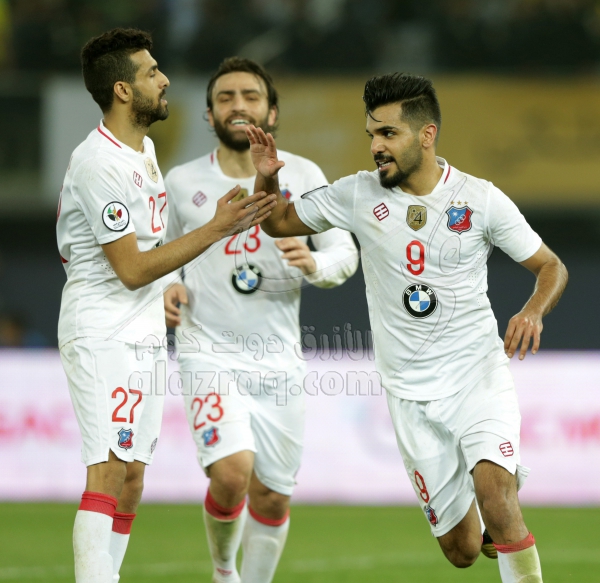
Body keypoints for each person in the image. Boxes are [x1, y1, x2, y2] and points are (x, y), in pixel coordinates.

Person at [244, 73, 568, 583]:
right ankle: (486, 499)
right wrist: (265, 178)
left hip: (477, 376)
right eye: (372, 134)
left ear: (426, 134)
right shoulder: (356, 194)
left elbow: (551, 266)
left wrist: (532, 311)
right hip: (409, 395)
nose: (376, 146)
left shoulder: (480, 199)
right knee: (462, 551)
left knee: (498, 500)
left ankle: (497, 489)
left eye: (388, 134)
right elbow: (278, 222)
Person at [56, 29, 275, 583]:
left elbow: (153, 253)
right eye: (152, 72)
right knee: (108, 470)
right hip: (103, 329)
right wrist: (216, 228)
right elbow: (131, 269)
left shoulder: (145, 152)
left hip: (146, 328)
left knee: (132, 476)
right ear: (123, 90)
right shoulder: (98, 163)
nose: (165, 79)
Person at [163, 56, 358, 583]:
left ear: (271, 112)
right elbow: (158, 251)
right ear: (209, 115)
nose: (238, 105)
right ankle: (224, 571)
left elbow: (345, 251)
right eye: (225, 97)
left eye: (251, 96)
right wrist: (166, 286)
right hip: (208, 351)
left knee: (271, 496)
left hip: (278, 361)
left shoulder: (305, 175)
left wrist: (315, 264)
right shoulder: (181, 181)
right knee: (232, 475)